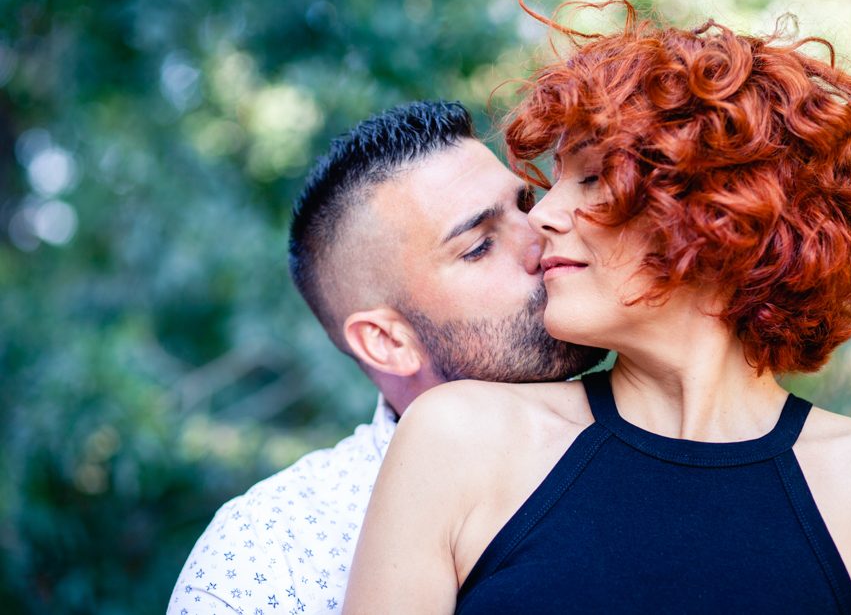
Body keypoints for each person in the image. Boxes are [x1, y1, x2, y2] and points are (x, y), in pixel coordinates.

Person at [342, 1, 851, 613]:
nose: (545, 217)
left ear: (724, 209)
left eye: (591, 179)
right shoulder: (459, 437)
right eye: (554, 180)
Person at [167, 101, 606, 614]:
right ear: (386, 341)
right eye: (478, 247)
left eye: (527, 204)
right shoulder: (271, 555)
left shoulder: (674, 424)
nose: (542, 238)